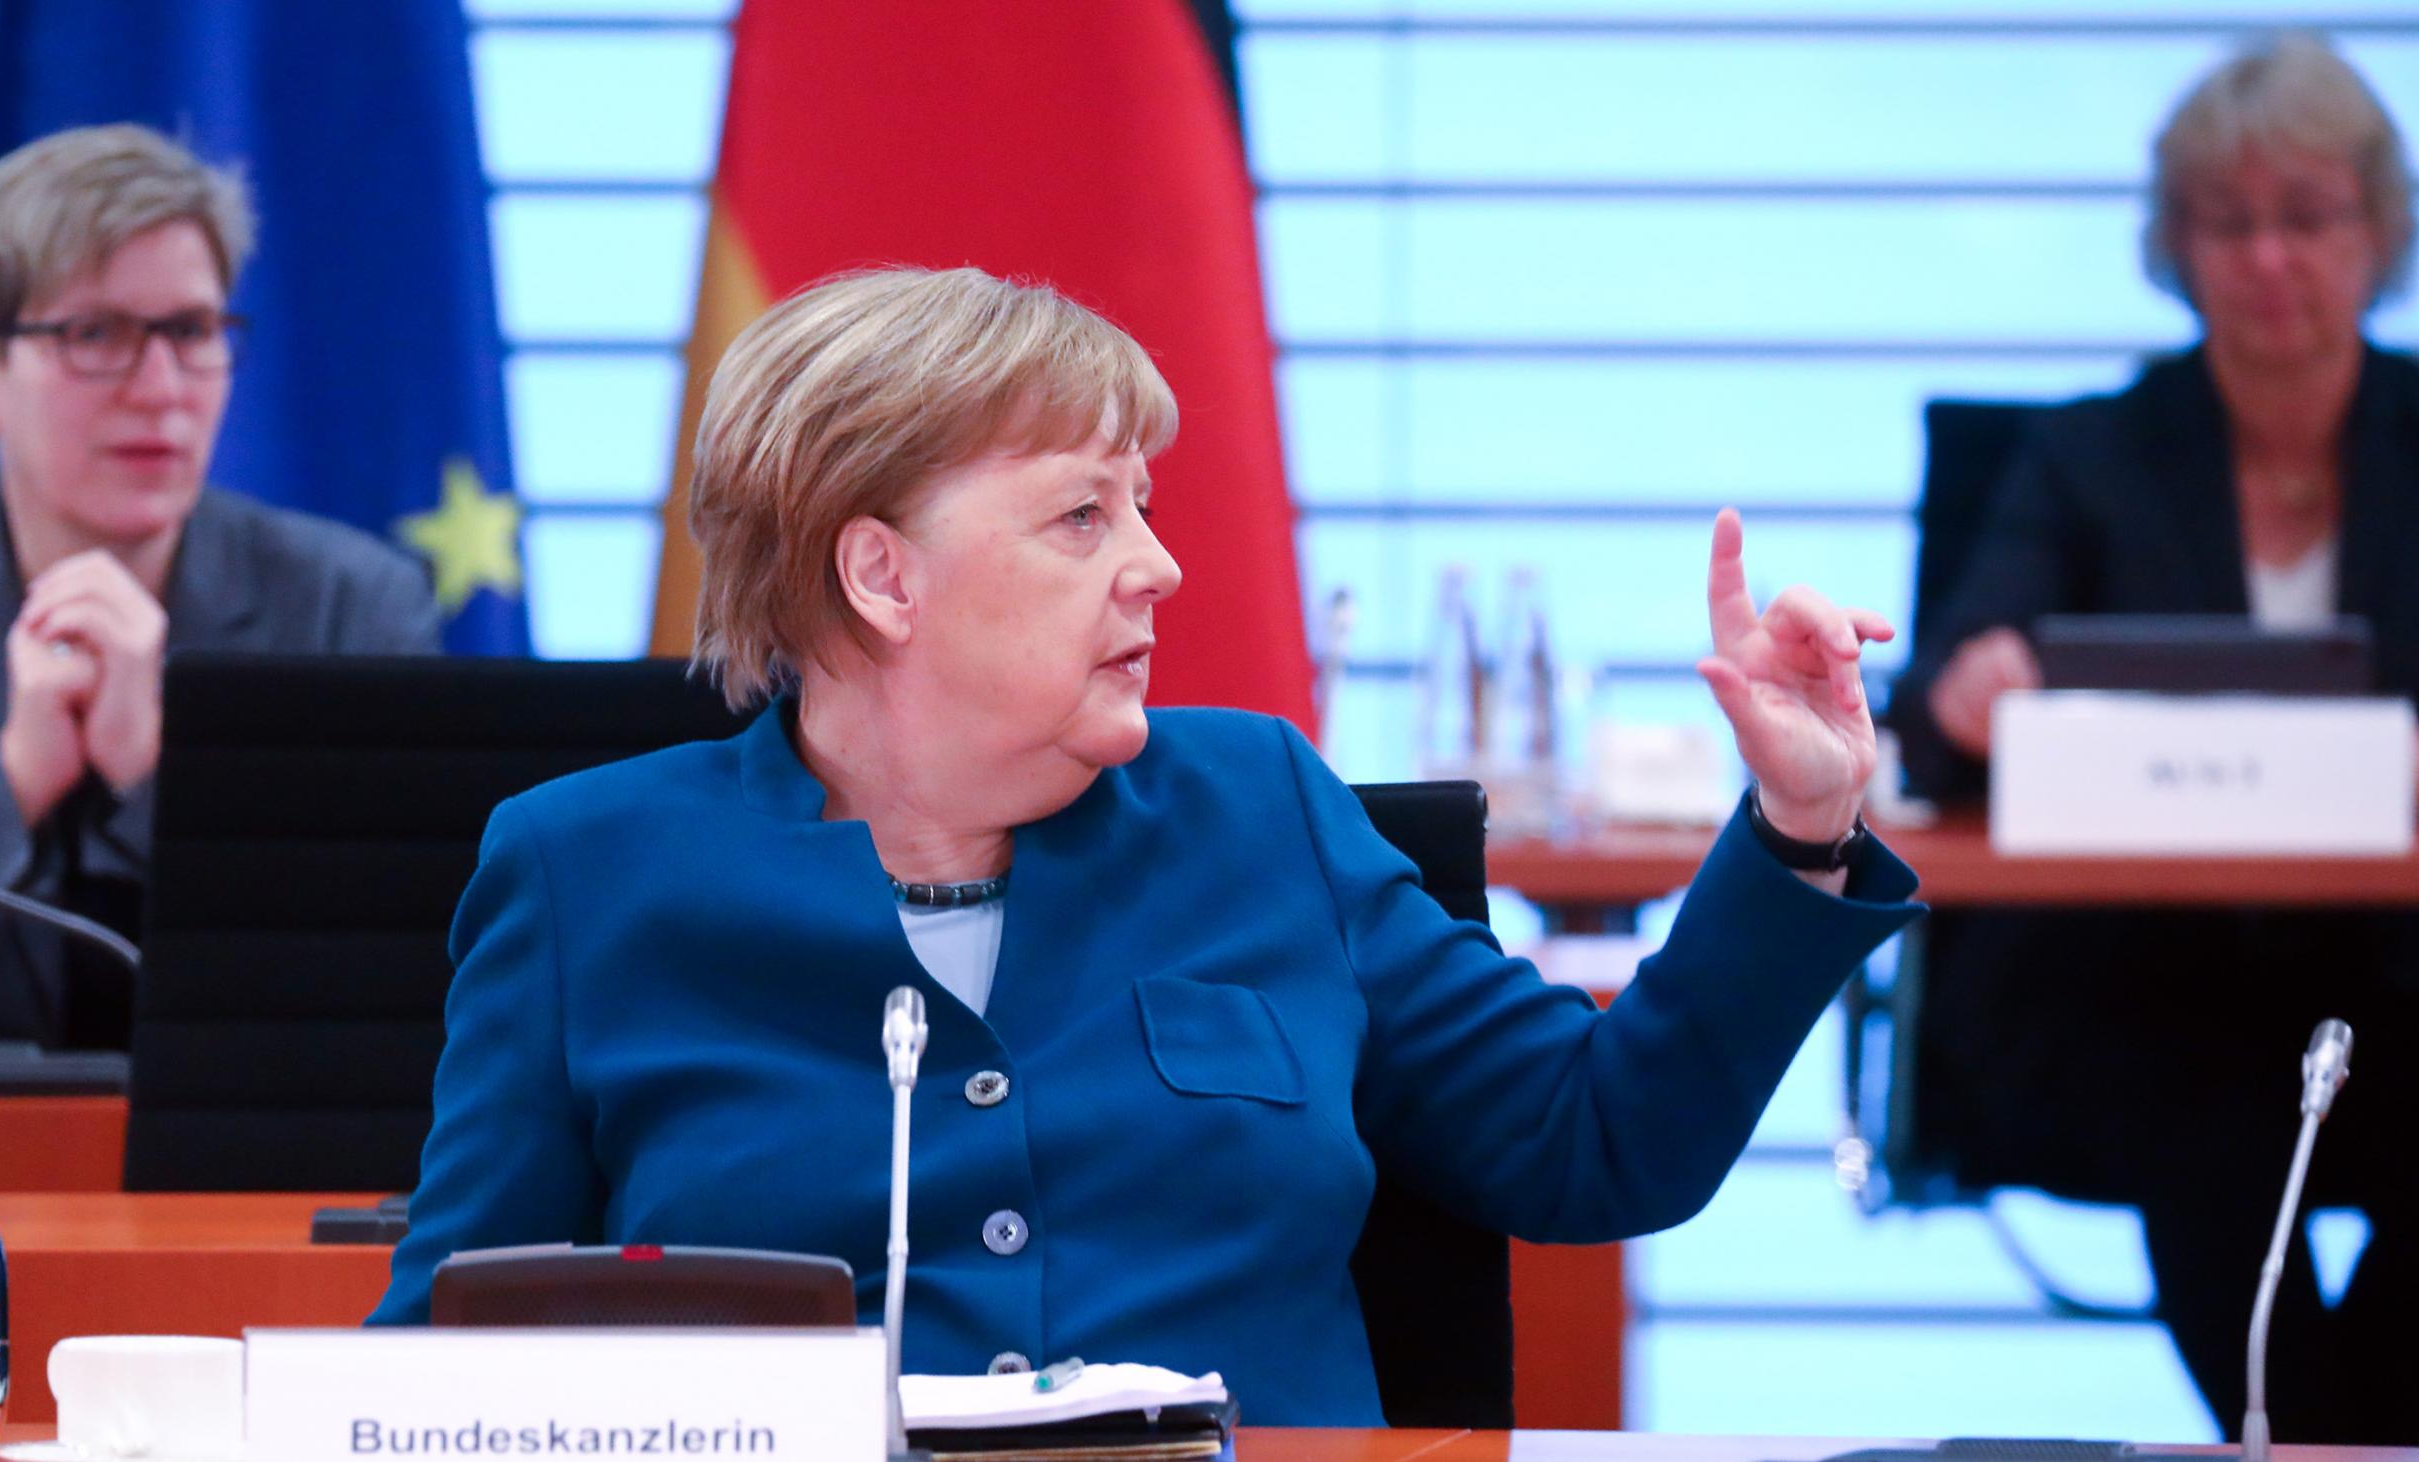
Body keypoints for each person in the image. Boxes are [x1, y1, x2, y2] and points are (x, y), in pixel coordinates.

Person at [370, 265, 1921, 1423]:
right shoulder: (588, 875)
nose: (1161, 565)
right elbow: (448, 1362)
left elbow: (1599, 1138)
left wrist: (1802, 820)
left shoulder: (1263, 809)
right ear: (882, 577)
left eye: (1147, 504)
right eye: (1082, 518)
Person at [1887, 34, 2419, 1444]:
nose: (2268, 261)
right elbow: (1939, 698)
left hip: (2402, 972)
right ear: (2176, 247)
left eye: (2306, 218)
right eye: (2228, 223)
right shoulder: (2091, 454)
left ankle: (2315, 1436)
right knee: (2210, 1103)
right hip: (2140, 984)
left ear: (2380, 230)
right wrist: (1970, 685)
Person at [0, 124, 441, 1050]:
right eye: (94, 334)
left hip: (247, 1182)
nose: (160, 389)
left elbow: (396, 983)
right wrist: (15, 782)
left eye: (191, 332)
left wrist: (158, 777)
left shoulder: (352, 611)